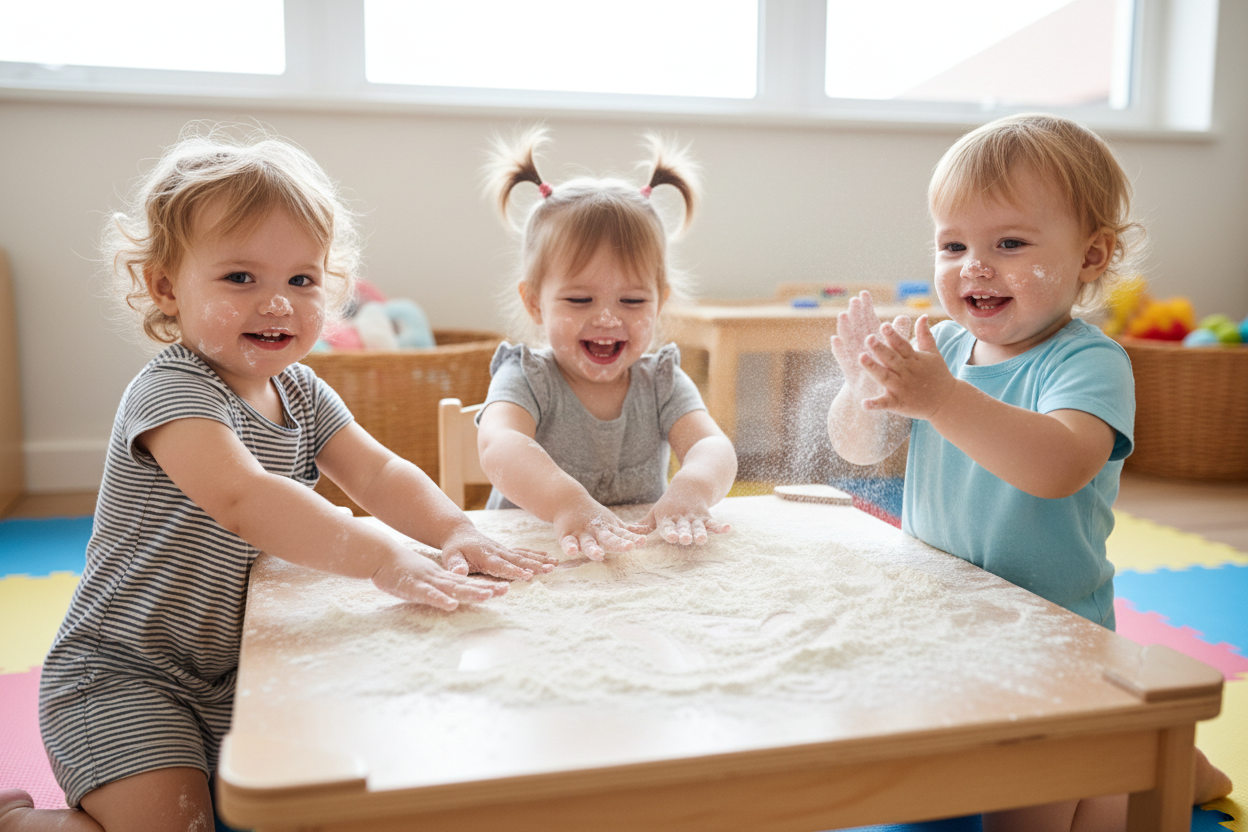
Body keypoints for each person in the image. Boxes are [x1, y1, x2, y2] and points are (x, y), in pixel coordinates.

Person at [0, 127, 556, 832]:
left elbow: (378, 472)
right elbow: (243, 499)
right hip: (124, 675)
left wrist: (455, 529)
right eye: (241, 278)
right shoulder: (172, 391)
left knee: (350, 776)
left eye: (301, 280)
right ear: (165, 286)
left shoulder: (304, 392)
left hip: (242, 669)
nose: (277, 302)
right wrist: (384, 557)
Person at [826, 113, 1231, 830]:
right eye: (953, 245)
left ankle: (1161, 759)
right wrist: (862, 390)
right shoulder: (941, 346)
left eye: (1009, 243)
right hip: (947, 623)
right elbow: (857, 451)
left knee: (1029, 813)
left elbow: (1058, 467)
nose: (973, 265)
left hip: (1054, 640)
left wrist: (945, 400)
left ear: (1091, 256)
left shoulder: (1087, 361)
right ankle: (1150, 750)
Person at [475, 128, 737, 560]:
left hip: (632, 566)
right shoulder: (526, 377)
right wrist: (566, 503)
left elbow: (714, 447)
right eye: (580, 300)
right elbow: (499, 445)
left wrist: (692, 488)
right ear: (534, 304)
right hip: (538, 561)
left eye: (632, 301)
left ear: (660, 302)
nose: (608, 318)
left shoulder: (662, 382)